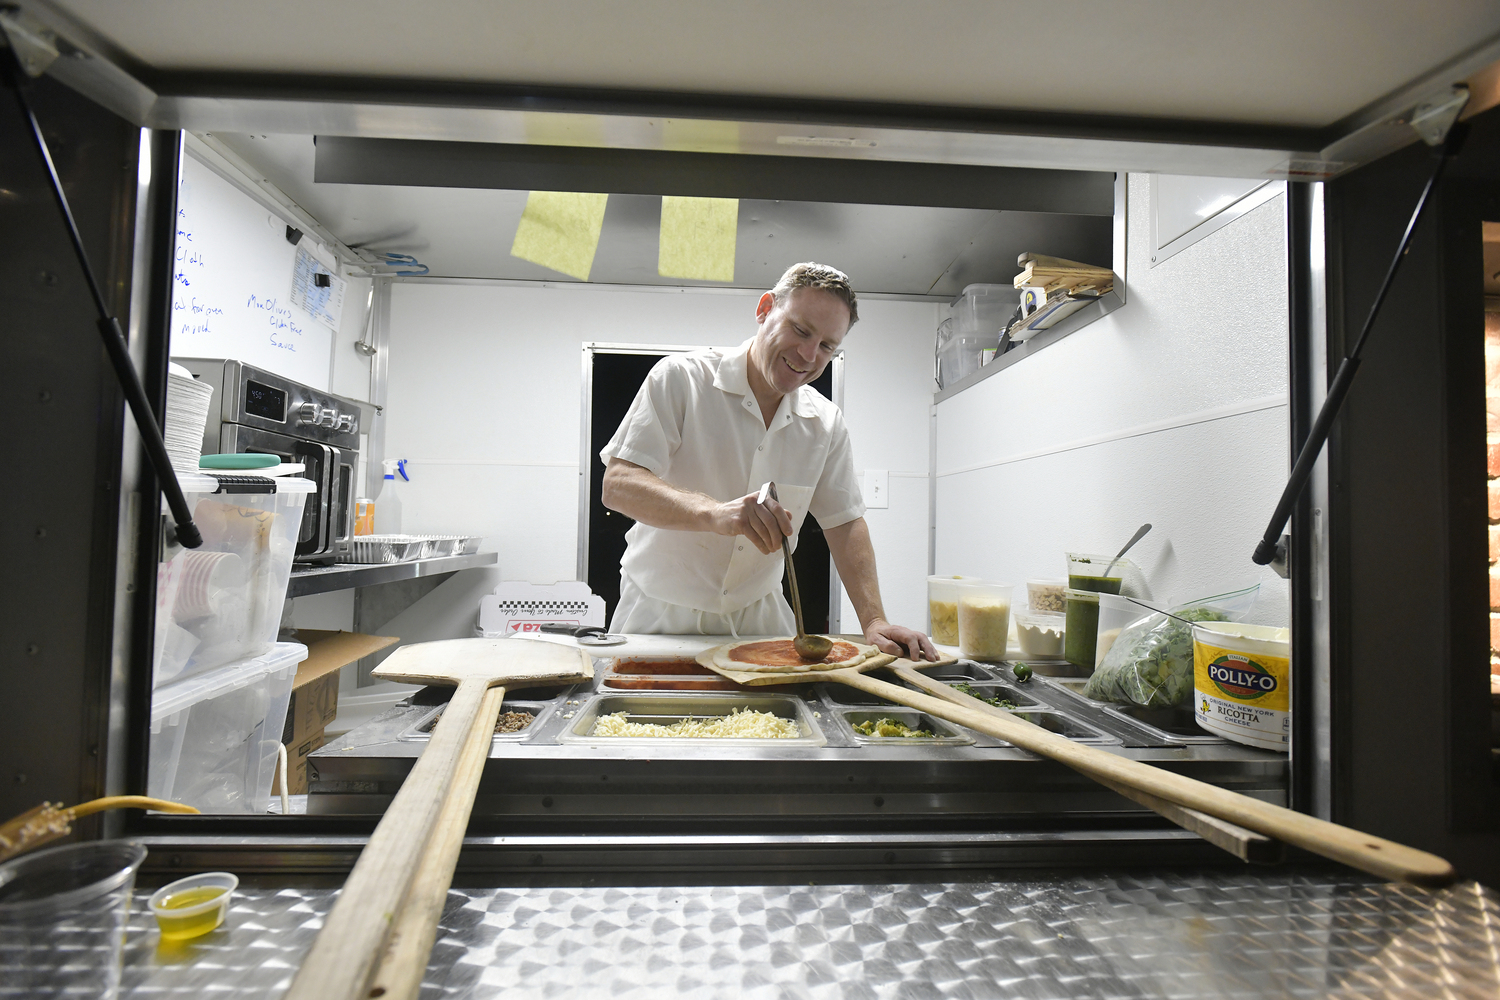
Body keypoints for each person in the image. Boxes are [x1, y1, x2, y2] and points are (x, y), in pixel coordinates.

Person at [599, 262, 937, 661]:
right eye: (800, 329)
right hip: (658, 612)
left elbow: (844, 523)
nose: (809, 355)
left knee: (768, 725)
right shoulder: (681, 379)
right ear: (764, 309)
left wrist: (874, 621)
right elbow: (618, 485)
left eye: (828, 346)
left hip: (760, 619)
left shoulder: (824, 423)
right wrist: (714, 514)